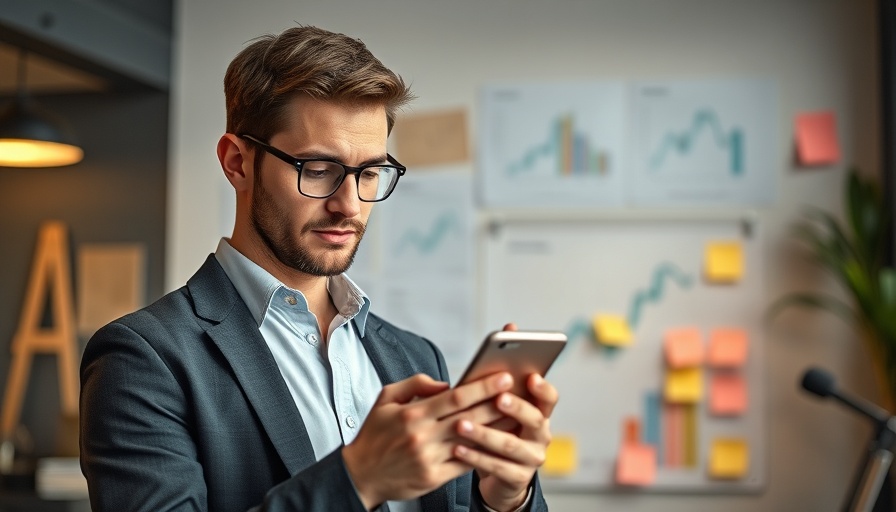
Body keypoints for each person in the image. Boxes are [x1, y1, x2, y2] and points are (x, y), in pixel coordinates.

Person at [80, 25, 558, 512]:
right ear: (237, 163)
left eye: (369, 173)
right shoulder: (142, 359)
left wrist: (505, 497)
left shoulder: (416, 358)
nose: (349, 204)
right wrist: (359, 478)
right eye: (318, 169)